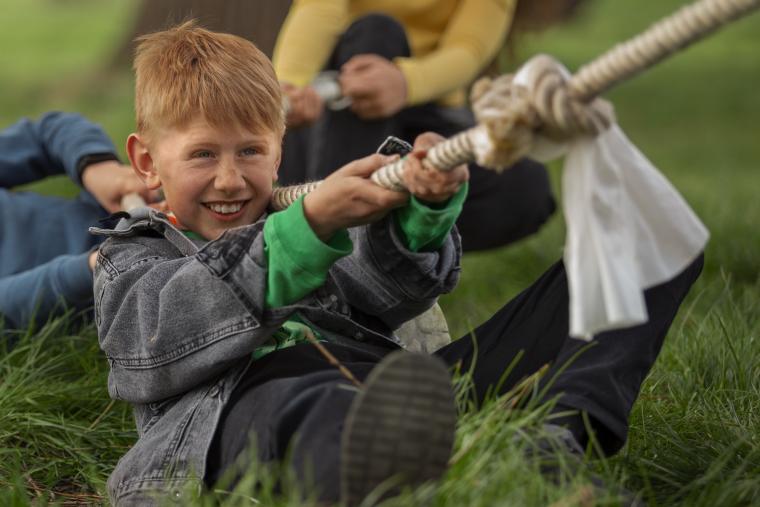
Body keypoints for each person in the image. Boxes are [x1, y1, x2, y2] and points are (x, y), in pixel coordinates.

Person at [92, 22, 703, 506]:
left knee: (638, 256)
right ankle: (392, 471)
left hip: (406, 394)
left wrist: (422, 212)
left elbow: (386, 289)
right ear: (147, 161)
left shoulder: (305, 220)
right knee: (321, 400)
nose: (230, 177)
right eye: (202, 154)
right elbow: (154, 343)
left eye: (251, 150)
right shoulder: (130, 256)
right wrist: (305, 229)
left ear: (279, 152)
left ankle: (548, 444)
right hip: (247, 418)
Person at [273, 0, 558, 252]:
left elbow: (468, 48)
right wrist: (289, 86)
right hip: (336, 107)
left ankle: (386, 254)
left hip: (426, 105)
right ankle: (331, 254)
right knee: (378, 31)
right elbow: (318, 8)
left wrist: (405, 83)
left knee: (526, 189)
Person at [0, 112, 152, 336]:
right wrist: (97, 265)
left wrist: (97, 168)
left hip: (121, 211)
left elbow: (46, 132)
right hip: (113, 287)